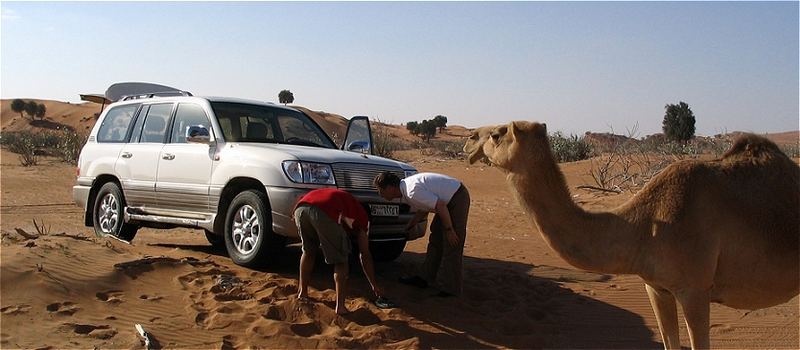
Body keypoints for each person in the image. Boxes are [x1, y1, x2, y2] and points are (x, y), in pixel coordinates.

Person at [373, 172, 470, 297]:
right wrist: (412, 223)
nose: (379, 194)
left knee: (452, 243)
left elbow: (440, 205)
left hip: (456, 197)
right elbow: (424, 206)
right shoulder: (407, 190)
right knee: (436, 240)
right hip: (446, 202)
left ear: (390, 188)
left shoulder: (411, 191)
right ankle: (425, 278)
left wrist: (449, 229)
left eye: (381, 190)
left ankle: (451, 288)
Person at [293, 188, 383, 314]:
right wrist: (374, 285)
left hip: (301, 208)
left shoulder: (347, 205)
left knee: (308, 252)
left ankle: (303, 292)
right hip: (323, 209)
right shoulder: (363, 218)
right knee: (341, 259)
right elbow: (364, 254)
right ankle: (340, 306)